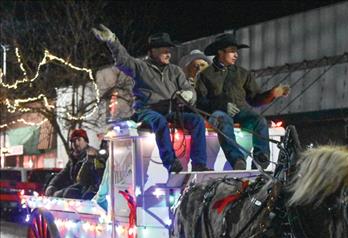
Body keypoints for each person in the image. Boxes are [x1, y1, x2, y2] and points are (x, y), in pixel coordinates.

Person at [92, 24, 211, 173]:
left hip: (171, 111)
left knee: (197, 120)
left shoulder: (175, 71)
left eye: (169, 50)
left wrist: (189, 95)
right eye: (164, 50)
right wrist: (112, 41)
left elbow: (189, 90)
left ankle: (199, 164)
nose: (168, 53)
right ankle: (170, 162)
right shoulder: (140, 67)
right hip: (147, 111)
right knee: (159, 121)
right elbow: (123, 60)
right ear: (153, 50)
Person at [196, 33, 290, 170]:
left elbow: (254, 99)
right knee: (222, 119)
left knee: (259, 120)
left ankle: (261, 158)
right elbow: (200, 103)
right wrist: (222, 106)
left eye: (236, 51)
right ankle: (237, 159)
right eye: (232, 51)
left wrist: (272, 94)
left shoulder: (243, 73)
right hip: (217, 114)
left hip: (241, 112)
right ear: (220, 52)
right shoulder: (206, 75)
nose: (236, 55)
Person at [45, 129, 103, 199]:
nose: (76, 143)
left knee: (67, 193)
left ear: (86, 141)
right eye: (73, 141)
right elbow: (63, 174)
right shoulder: (73, 158)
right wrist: (52, 185)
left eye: (79, 140)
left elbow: (90, 181)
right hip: (75, 192)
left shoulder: (94, 156)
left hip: (88, 194)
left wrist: (65, 191)